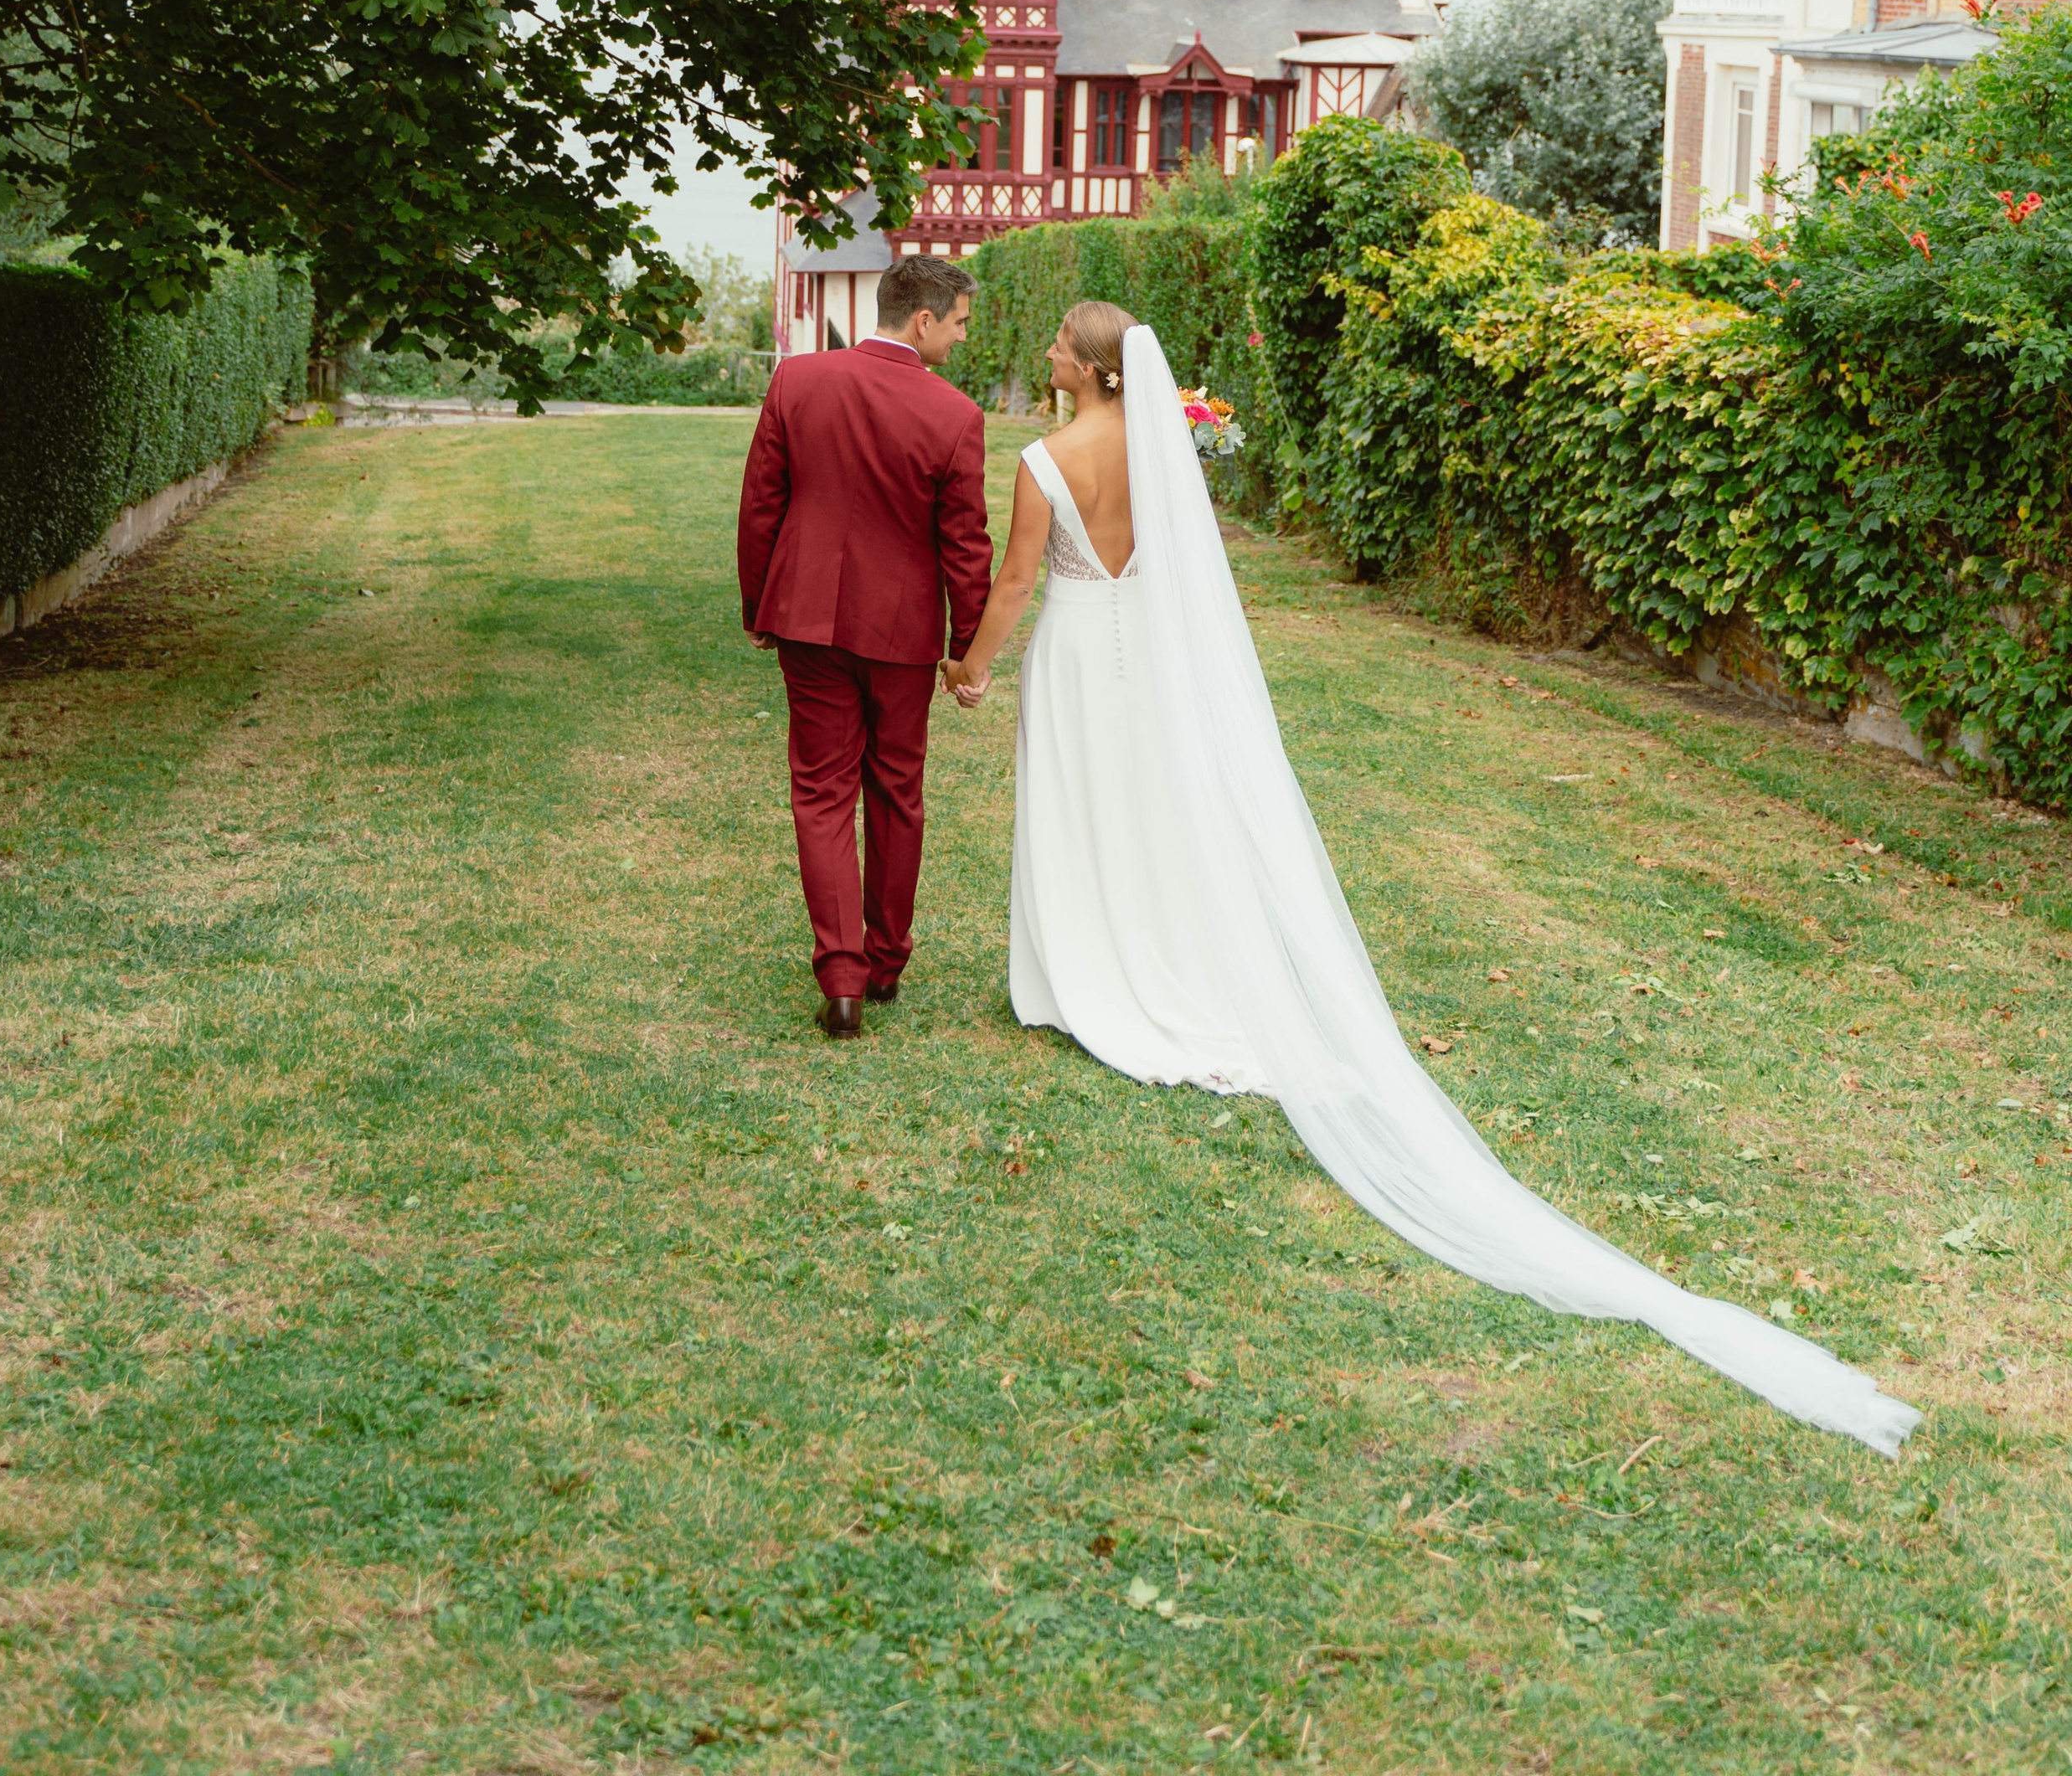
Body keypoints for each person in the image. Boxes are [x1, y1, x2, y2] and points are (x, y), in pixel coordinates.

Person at [947, 301, 1920, 1459]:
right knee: (1150, 817)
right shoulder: (1158, 452)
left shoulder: (1043, 460)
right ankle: (1147, 961)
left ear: (1090, 371)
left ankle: (1088, 977)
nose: (1047, 356)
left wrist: (969, 670)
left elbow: (1015, 584)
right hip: (1146, 663)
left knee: (1082, 808)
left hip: (1072, 651)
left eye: (1059, 345)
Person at [737, 255, 991, 1038]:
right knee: (896, 792)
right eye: (957, 323)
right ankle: (882, 962)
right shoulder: (954, 415)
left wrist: (760, 606)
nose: (959, 338)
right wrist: (965, 647)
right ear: (923, 319)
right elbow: (966, 548)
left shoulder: (796, 382)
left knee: (820, 792)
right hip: (902, 633)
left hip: (807, 618)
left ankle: (842, 980)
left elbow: (760, 506)